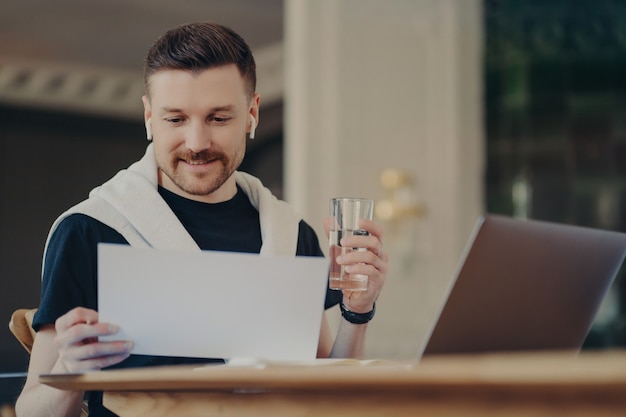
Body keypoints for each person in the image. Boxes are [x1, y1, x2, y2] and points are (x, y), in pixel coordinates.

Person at [15, 22, 388, 417]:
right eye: (175, 119)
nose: (196, 143)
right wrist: (70, 370)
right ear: (148, 117)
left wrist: (357, 311)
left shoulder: (291, 233)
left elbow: (329, 397)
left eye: (219, 119)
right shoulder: (88, 229)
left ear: (251, 113)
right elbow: (30, 410)